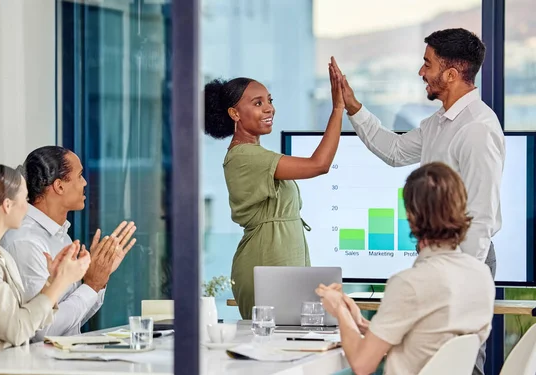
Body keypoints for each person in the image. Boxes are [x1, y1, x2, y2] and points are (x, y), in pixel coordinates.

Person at [334, 29, 503, 374]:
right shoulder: (438, 123)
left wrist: (454, 277)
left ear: (452, 74)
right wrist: (353, 107)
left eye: (427, 64)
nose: (421, 72)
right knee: (425, 357)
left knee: (458, 363)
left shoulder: (477, 129)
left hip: (466, 261)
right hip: (443, 261)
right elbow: (394, 151)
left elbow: (481, 217)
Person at [317, 162, 495, 375]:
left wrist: (339, 310)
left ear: (412, 217)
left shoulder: (410, 283)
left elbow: (362, 365)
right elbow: (427, 342)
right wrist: (360, 324)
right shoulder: (481, 275)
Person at [204, 57, 344, 319]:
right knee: (271, 344)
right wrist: (337, 109)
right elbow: (319, 164)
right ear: (234, 114)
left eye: (270, 100)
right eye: (258, 103)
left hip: (281, 258)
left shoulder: (256, 153)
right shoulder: (245, 156)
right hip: (267, 260)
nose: (269, 108)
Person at [0, 163, 101, 358]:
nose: (28, 208)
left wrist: (51, 281)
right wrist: (61, 282)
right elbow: (16, 330)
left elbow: (28, 317)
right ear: (7, 205)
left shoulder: (0, 255)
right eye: (25, 199)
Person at [1, 146, 136, 341]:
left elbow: (72, 321)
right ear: (59, 186)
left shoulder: (60, 235)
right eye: (80, 175)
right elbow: (43, 331)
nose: (85, 182)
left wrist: (98, 276)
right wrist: (91, 285)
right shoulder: (25, 241)